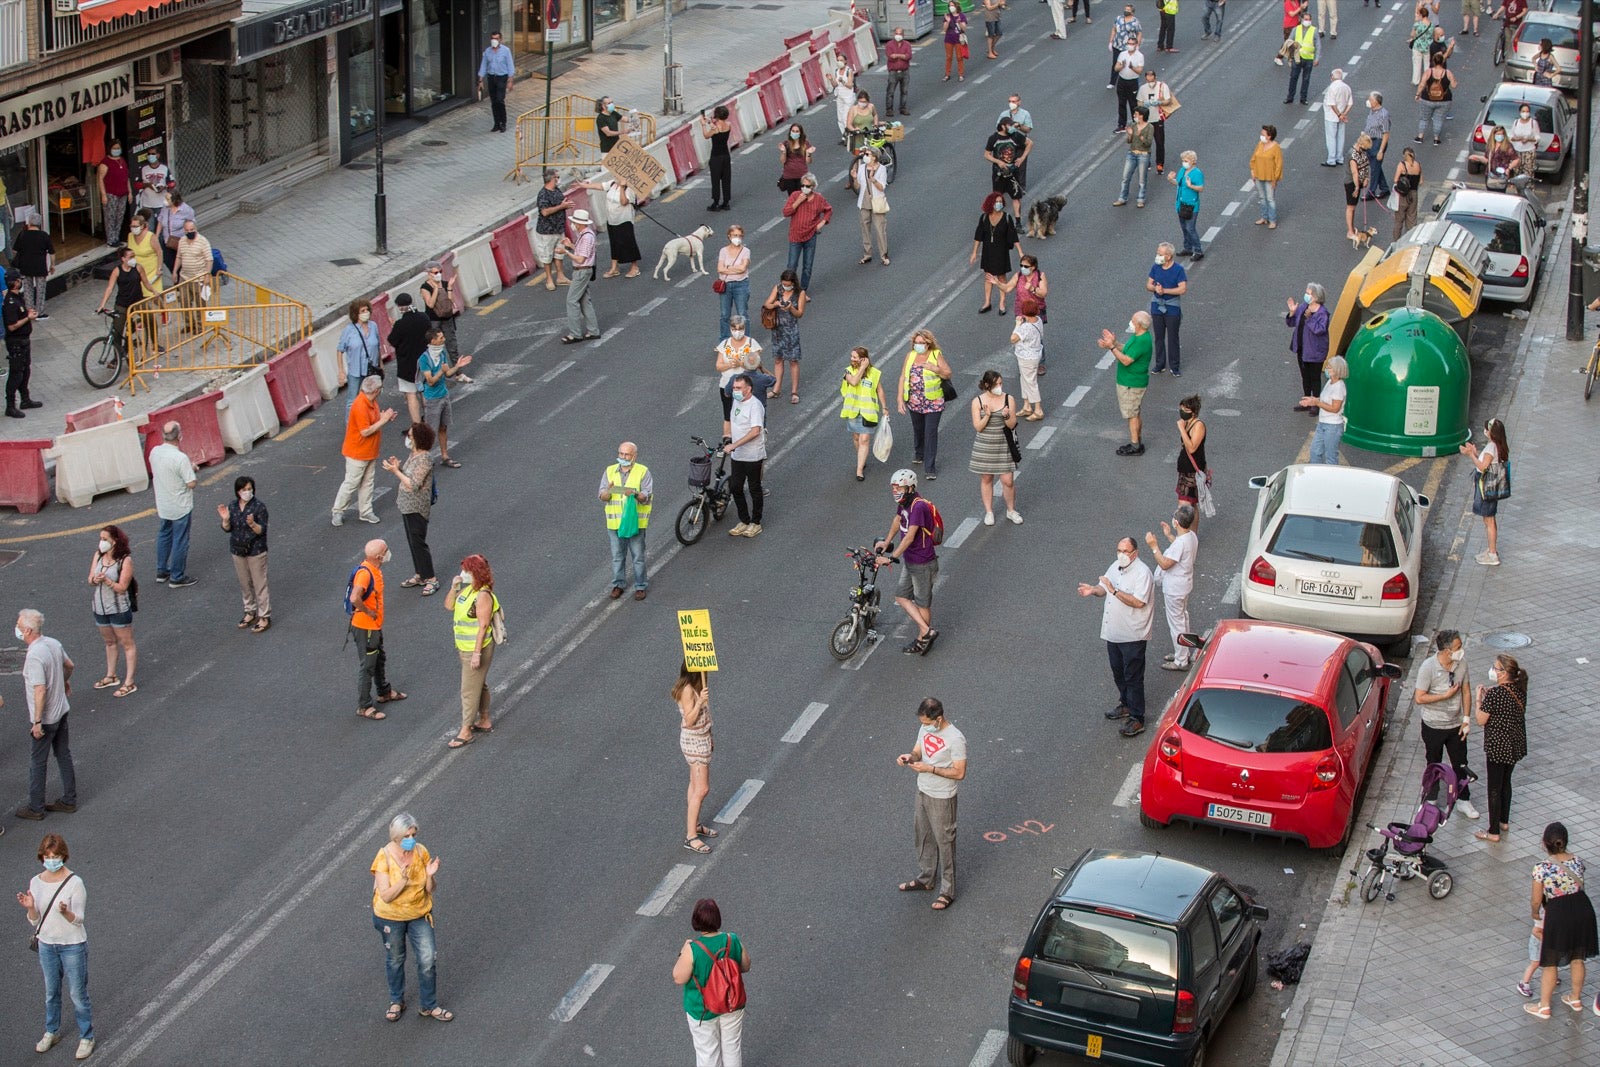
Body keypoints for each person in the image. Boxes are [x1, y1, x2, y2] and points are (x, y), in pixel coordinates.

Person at [18, 833, 93, 1060]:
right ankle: (52, 1031)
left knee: (77, 993)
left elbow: (79, 919)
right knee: (51, 992)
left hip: (72, 946)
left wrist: (66, 911)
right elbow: (35, 920)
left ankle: (87, 1036)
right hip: (47, 945)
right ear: (42, 856)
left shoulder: (75, 883)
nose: (52, 860)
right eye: (48, 856)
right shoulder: (36, 882)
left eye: (56, 856)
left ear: (64, 856)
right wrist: (30, 907)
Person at [370, 813, 451, 1022]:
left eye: (414, 834)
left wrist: (430, 876)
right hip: (391, 917)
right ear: (396, 836)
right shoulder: (384, 857)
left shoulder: (421, 851)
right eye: (407, 834)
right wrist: (403, 881)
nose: (411, 838)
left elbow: (430, 890)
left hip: (418, 913)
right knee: (396, 959)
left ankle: (429, 1005)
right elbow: (386, 896)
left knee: (428, 959)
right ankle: (396, 1001)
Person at [1077, 538, 1155, 737]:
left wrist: (1114, 590)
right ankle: (1126, 704)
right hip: (1114, 633)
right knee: (1118, 672)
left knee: (1133, 676)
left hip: (1133, 635)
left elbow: (1138, 602)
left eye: (1125, 551)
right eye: (1119, 550)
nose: (1121, 554)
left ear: (1135, 553)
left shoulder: (1142, 573)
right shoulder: (1115, 565)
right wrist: (1094, 590)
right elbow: (1104, 587)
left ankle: (1138, 717)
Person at [895, 698, 967, 911]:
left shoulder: (955, 739)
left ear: (939, 718)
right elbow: (917, 751)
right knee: (923, 836)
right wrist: (910, 757)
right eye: (922, 722)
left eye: (927, 722)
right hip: (923, 790)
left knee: (945, 842)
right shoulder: (925, 729)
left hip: (943, 796)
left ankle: (948, 891)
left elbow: (960, 772)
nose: (924, 725)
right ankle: (926, 878)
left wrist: (931, 769)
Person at [1524, 822, 1598, 1018]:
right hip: (1582, 909)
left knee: (1550, 961)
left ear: (1544, 844)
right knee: (1578, 957)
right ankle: (1575, 998)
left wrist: (1534, 913)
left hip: (1558, 913)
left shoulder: (1541, 868)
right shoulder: (1578, 861)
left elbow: (1536, 900)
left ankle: (1544, 1006)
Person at [672, 899, 750, 1065]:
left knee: (708, 1053)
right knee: (732, 1048)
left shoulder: (692, 949)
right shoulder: (732, 940)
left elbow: (679, 977)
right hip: (732, 1003)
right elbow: (745, 965)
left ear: (696, 921)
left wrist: (682, 953)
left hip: (702, 1010)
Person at [15, 609, 76, 820]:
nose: (18, 630)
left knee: (37, 762)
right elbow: (69, 666)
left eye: (20, 627)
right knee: (63, 754)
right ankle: (69, 799)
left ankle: (36, 807)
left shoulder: (34, 656)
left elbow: (39, 690)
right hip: (62, 710)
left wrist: (37, 722)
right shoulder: (53, 643)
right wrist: (63, 681)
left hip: (47, 717)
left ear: (28, 630)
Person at [1414, 629, 1480, 819]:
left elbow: (1466, 691)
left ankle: (1463, 800)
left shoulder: (1461, 664)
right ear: (1446, 651)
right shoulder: (1428, 668)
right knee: (1433, 763)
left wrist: (1466, 720)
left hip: (1455, 725)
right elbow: (1419, 697)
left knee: (1460, 763)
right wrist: (1445, 696)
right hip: (1433, 725)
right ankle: (1431, 798)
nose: (1461, 651)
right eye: (1457, 648)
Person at [874, 469, 940, 653]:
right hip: (911, 561)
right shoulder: (905, 503)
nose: (896, 490)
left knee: (922, 603)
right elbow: (898, 520)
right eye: (894, 487)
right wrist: (886, 542)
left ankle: (923, 639)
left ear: (911, 487)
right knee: (901, 596)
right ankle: (926, 631)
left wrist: (891, 557)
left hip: (923, 563)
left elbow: (910, 536)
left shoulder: (917, 507)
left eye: (899, 487)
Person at [1473, 653, 1528, 843]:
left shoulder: (1496, 694)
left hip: (1498, 747)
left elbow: (1480, 720)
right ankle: (1504, 820)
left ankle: (1493, 830)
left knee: (1494, 788)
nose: (1493, 671)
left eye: (1496, 668)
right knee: (1506, 782)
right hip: (1514, 745)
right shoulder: (1520, 689)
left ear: (1504, 673)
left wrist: (1478, 699)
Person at [349, 540, 405, 720]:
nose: (388, 553)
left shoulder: (373, 569)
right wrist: (367, 611)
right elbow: (354, 597)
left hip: (373, 627)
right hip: (366, 628)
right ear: (379, 557)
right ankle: (364, 706)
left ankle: (383, 691)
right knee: (368, 665)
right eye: (386, 551)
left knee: (379, 658)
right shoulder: (365, 574)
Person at [447, 554, 498, 748]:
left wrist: (476, 654)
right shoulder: (468, 591)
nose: (463, 573)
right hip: (465, 647)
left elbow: (483, 626)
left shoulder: (483, 596)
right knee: (479, 683)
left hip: (476, 649)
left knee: (468, 690)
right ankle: (484, 719)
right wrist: (454, 587)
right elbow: (449, 605)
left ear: (474, 572)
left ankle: (465, 730)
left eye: (466, 570)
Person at [332, 376, 397, 526]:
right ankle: (338, 510)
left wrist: (384, 416)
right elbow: (365, 431)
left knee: (367, 483)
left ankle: (366, 511)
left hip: (369, 451)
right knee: (352, 483)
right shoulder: (360, 405)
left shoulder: (371, 402)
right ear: (376, 390)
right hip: (358, 452)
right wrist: (384, 419)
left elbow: (372, 421)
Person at [384, 422, 438, 597]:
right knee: (412, 541)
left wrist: (395, 472)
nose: (408, 439)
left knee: (418, 542)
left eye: (410, 436)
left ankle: (430, 578)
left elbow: (414, 484)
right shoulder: (414, 455)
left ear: (418, 439)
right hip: (406, 505)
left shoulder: (425, 459)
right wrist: (398, 467)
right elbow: (408, 474)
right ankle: (420, 574)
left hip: (416, 506)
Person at [87, 525, 137, 701]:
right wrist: (95, 579)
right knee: (109, 642)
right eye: (101, 539)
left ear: (114, 541)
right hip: (100, 607)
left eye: (105, 539)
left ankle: (129, 681)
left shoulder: (125, 560)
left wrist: (106, 580)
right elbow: (90, 580)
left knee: (127, 643)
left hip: (118, 609)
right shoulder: (98, 555)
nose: (101, 542)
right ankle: (111, 675)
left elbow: (122, 588)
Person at [1145, 504, 1198, 671]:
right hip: (1185, 585)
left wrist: (1154, 546)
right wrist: (1168, 535)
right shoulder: (1191, 537)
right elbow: (1180, 547)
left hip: (1175, 588)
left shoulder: (1180, 543)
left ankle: (1181, 660)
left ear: (1176, 522)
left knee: (1177, 624)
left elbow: (1165, 564)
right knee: (1183, 618)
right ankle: (1184, 652)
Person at [673, 665, 718, 853]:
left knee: (694, 784)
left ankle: (696, 824)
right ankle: (691, 836)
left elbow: (704, 717)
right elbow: (689, 720)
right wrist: (700, 702)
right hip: (695, 742)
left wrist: (711, 736)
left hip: (702, 739)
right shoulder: (688, 690)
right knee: (702, 788)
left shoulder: (697, 687)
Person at [148, 422, 198, 588]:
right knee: (180, 540)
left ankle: (162, 570)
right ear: (179, 436)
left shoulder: (154, 452)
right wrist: (192, 469)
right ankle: (177, 576)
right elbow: (191, 483)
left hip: (164, 504)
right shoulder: (180, 458)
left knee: (164, 534)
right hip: (180, 505)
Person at [600, 441, 652, 600]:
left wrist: (635, 494)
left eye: (627, 454)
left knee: (638, 556)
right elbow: (602, 496)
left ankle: (640, 586)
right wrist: (608, 491)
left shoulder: (643, 472)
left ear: (634, 456)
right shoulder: (609, 471)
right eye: (621, 454)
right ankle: (618, 585)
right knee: (617, 556)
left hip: (635, 523)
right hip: (615, 523)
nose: (623, 457)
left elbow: (646, 496)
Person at [969, 369, 1022, 526]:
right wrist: (987, 416)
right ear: (987, 385)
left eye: (1001, 383)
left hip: (1003, 443)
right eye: (996, 384)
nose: (1000, 387)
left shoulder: (1008, 399)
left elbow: (1012, 424)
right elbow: (978, 427)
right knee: (986, 478)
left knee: (1008, 480)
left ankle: (1011, 510)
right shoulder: (977, 402)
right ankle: (989, 512)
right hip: (985, 444)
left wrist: (1006, 416)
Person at [218, 476, 270, 633]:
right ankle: (250, 611)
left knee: (259, 583)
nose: (247, 492)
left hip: (255, 551)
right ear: (237, 491)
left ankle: (264, 616)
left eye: (249, 489)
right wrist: (226, 520)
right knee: (245, 583)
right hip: (238, 550)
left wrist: (253, 524)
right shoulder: (233, 506)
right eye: (244, 490)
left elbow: (262, 530)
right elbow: (227, 529)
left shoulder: (259, 507)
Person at [898, 329, 952, 480]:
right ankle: (919, 453)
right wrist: (899, 399)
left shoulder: (936, 355)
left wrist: (935, 369)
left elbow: (948, 373)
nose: (919, 345)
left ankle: (930, 468)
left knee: (930, 433)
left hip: (933, 402)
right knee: (918, 429)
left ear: (928, 344)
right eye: (916, 343)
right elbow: (903, 377)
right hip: (914, 401)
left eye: (922, 343)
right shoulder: (910, 356)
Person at [1097, 311, 1152, 455]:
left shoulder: (1141, 341)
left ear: (1139, 325)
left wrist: (1112, 347)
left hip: (1131, 383)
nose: (1131, 323)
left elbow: (1126, 360)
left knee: (1132, 414)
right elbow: (1127, 350)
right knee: (1135, 412)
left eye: (1133, 321)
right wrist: (1114, 343)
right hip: (1132, 381)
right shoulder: (1139, 337)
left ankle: (1135, 446)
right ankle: (1137, 441)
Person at [418, 328, 470, 468]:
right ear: (432, 341)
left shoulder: (441, 354)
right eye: (440, 338)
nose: (443, 339)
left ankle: (444, 456)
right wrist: (441, 370)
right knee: (430, 432)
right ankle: (422, 459)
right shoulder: (424, 359)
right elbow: (430, 381)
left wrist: (457, 366)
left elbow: (448, 374)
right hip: (432, 399)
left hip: (444, 395)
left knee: (443, 427)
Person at [93, 245, 154, 364]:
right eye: (130, 257)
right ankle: (117, 357)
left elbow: (146, 282)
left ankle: (155, 344)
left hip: (137, 301)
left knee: (150, 318)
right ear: (123, 259)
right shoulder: (117, 271)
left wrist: (154, 291)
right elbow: (109, 288)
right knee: (117, 330)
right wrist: (102, 305)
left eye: (134, 256)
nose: (133, 259)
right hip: (122, 304)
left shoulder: (138, 268)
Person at [1460, 416, 1509, 565]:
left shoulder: (1491, 448)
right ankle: (1490, 550)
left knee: (1489, 520)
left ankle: (1492, 554)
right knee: (1489, 519)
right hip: (1491, 486)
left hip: (1486, 487)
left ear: (1491, 433)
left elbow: (1483, 467)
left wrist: (1470, 455)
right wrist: (1475, 453)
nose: (1485, 431)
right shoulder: (1497, 445)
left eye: (1487, 429)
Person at [573, 177, 642, 279]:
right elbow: (600, 186)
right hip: (611, 220)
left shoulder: (629, 189)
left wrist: (622, 187)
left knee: (628, 243)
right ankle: (614, 268)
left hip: (624, 220)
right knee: (614, 243)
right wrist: (584, 185)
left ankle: (634, 267)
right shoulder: (612, 184)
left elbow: (623, 202)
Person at [726, 375, 768, 539]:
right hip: (738, 455)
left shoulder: (755, 406)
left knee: (754, 488)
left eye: (738, 388)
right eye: (734, 388)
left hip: (752, 455)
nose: (734, 391)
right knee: (735, 487)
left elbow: (755, 431)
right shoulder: (737, 402)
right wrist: (729, 437)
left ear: (748, 389)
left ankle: (755, 522)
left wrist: (734, 445)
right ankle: (744, 520)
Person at [841, 346, 887, 480]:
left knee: (864, 439)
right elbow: (854, 382)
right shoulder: (848, 371)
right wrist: (862, 368)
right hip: (853, 411)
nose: (852, 359)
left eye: (855, 357)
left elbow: (880, 390)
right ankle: (862, 458)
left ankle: (859, 470)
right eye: (851, 356)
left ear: (863, 359)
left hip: (868, 412)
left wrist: (884, 407)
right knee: (856, 438)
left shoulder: (874, 373)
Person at [972, 192, 1021, 314]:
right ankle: (987, 302)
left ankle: (1002, 303)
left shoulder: (1007, 218)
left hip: (1001, 252)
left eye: (1000, 202)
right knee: (988, 276)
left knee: (1001, 277)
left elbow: (1013, 236)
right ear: (990, 203)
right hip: (988, 252)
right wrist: (974, 253)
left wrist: (1020, 252)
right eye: (996, 202)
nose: (999, 204)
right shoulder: (984, 218)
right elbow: (978, 236)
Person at [781, 174, 831, 294]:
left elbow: (828, 210)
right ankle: (789, 289)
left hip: (810, 236)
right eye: (802, 185)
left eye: (807, 186)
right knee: (792, 266)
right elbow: (786, 212)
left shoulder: (818, 199)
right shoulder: (795, 196)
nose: (804, 188)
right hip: (795, 236)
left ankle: (802, 290)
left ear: (813, 187)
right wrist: (798, 201)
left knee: (807, 266)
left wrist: (822, 222)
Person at [715, 316, 763, 435]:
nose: (737, 332)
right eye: (734, 329)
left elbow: (756, 364)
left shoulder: (751, 343)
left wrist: (740, 363)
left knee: (747, 414)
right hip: (727, 384)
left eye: (740, 329)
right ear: (730, 329)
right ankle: (727, 439)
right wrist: (730, 364)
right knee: (728, 414)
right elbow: (718, 366)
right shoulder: (724, 344)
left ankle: (745, 438)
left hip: (746, 386)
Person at [387, 292, 430, 425]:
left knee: (411, 395)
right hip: (425, 361)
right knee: (424, 392)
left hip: (407, 365)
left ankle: (417, 426)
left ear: (399, 307)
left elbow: (392, 341)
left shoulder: (400, 324)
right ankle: (430, 419)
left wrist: (394, 327)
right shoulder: (423, 317)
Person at [763, 271, 806, 402]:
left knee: (793, 361)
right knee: (778, 359)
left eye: (788, 284)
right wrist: (776, 304)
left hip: (791, 331)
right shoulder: (777, 288)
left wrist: (791, 308)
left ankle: (794, 392)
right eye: (784, 284)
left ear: (793, 283)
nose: (785, 286)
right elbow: (767, 304)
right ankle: (776, 389)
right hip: (777, 330)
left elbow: (800, 313)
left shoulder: (800, 293)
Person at [558, 209, 600, 343]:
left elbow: (581, 259)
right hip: (583, 271)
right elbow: (580, 251)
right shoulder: (585, 234)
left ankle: (575, 333)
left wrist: (565, 252)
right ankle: (593, 330)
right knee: (584, 301)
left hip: (582, 271)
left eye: (574, 222)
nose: (573, 225)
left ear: (579, 224)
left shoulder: (587, 237)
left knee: (571, 301)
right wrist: (570, 245)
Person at [1285, 284, 1331, 405]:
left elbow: (1319, 330)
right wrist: (1292, 312)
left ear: (1316, 296)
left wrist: (1310, 318)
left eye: (1309, 293)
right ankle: (1306, 401)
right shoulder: (1303, 307)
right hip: (1302, 348)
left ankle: (1315, 403)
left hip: (1315, 351)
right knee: (1305, 376)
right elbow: (1292, 322)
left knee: (1315, 377)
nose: (1306, 295)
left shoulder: (1322, 313)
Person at [1147, 241, 1187, 376]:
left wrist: (1164, 291)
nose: (1157, 256)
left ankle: (1175, 366)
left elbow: (1182, 289)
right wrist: (1155, 288)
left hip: (1172, 308)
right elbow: (1148, 285)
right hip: (1157, 307)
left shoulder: (1178, 270)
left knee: (1172, 337)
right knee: (1158, 337)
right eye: (1157, 253)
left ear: (1169, 256)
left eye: (1160, 254)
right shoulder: (1155, 267)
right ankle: (1160, 364)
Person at [3, 268, 39, 417]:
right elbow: (12, 326)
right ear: (15, 282)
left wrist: (28, 314)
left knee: (25, 370)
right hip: (16, 342)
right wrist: (27, 318)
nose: (21, 282)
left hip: (24, 340)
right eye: (19, 280)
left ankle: (25, 399)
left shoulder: (18, 298)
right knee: (16, 373)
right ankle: (10, 406)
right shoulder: (10, 302)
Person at [1300, 354, 1348, 463]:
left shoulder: (1339, 387)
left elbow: (1335, 408)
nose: (1327, 369)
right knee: (1315, 452)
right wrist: (1313, 400)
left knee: (1331, 456)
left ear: (1337, 370)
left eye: (1329, 367)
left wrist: (1316, 402)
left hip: (1333, 427)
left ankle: (1331, 478)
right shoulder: (1330, 382)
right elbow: (1324, 400)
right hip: (1323, 423)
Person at [984, 118, 1032, 225]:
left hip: (1013, 173)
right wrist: (998, 162)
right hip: (999, 174)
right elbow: (986, 154)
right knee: (997, 198)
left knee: (1016, 198)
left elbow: (1029, 143)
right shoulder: (993, 138)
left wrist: (1022, 158)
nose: (1011, 127)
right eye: (1009, 125)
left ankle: (1018, 223)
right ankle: (997, 222)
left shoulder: (1015, 136)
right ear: (1002, 126)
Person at [337, 299, 382, 412]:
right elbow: (340, 350)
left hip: (371, 370)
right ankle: (350, 427)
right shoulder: (349, 330)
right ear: (356, 314)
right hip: (355, 371)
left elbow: (377, 347)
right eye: (363, 310)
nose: (366, 312)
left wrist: (380, 365)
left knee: (370, 398)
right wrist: (341, 371)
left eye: (367, 310)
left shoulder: (373, 326)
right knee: (352, 401)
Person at [418, 262, 463, 369]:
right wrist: (435, 290)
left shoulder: (445, 283)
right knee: (436, 347)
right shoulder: (425, 287)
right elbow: (430, 304)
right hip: (434, 320)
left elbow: (450, 301)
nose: (438, 274)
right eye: (435, 272)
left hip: (447, 319)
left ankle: (458, 372)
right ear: (429, 274)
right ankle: (438, 371)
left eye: (440, 271)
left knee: (452, 345)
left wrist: (450, 288)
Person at [531, 172, 572, 289]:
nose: (559, 179)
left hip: (559, 229)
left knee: (559, 253)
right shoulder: (543, 194)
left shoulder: (557, 190)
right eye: (557, 177)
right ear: (552, 179)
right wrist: (562, 207)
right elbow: (545, 212)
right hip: (547, 231)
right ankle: (549, 279)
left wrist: (565, 205)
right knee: (547, 256)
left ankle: (560, 276)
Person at [171, 220, 214, 333]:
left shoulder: (203, 241)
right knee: (184, 303)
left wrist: (207, 275)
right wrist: (175, 271)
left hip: (199, 278)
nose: (190, 232)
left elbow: (209, 259)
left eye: (192, 230)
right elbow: (179, 257)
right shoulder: (182, 241)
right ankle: (189, 324)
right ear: (184, 231)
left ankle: (201, 326)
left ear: (195, 229)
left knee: (200, 304)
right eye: (187, 230)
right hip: (184, 278)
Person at [11, 211, 54, 318]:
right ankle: (39, 312)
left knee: (28, 289)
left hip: (25, 266)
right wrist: (52, 265)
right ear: (39, 224)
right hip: (40, 267)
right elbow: (52, 252)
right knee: (41, 290)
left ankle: (29, 311)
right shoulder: (44, 235)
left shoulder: (22, 234)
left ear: (29, 222)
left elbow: (15, 251)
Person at [852, 148, 890, 267]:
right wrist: (854, 178)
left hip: (877, 202)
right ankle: (867, 254)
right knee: (865, 229)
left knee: (880, 229)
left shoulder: (882, 169)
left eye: (867, 154)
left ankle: (884, 255)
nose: (865, 156)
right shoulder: (862, 168)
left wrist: (873, 179)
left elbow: (882, 187)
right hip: (864, 202)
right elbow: (857, 186)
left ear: (874, 157)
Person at [1113, 107, 1155, 208]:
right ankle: (1122, 198)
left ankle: (1140, 199)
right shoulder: (1133, 125)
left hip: (1144, 155)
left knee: (1142, 179)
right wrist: (1130, 135)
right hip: (1132, 153)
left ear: (1142, 115)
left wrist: (1140, 136)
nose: (1134, 116)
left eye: (1136, 114)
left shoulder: (1150, 127)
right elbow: (1129, 141)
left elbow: (1148, 143)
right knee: (1125, 177)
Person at [716, 225, 751, 343]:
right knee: (725, 315)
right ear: (729, 236)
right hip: (726, 285)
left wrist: (728, 267)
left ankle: (746, 341)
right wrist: (735, 268)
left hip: (741, 285)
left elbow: (742, 269)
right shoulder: (723, 251)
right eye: (735, 235)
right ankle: (724, 341)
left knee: (742, 314)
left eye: (740, 236)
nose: (738, 238)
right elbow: (720, 269)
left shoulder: (746, 251)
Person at [1168, 149, 1206, 259]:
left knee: (1190, 228)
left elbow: (1201, 188)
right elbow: (1179, 184)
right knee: (1184, 227)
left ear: (1193, 161)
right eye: (1183, 160)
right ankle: (1188, 247)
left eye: (1186, 160)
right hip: (1180, 203)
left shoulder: (1197, 173)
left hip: (1191, 205)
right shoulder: (1182, 171)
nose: (1184, 162)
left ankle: (1198, 250)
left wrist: (1191, 186)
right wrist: (1171, 179)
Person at [1011, 301, 1045, 421]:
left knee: (1030, 382)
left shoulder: (1025, 327)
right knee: (1024, 379)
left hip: (1027, 357)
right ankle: (1027, 406)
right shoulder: (1038, 320)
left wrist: (1017, 324)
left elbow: (1013, 338)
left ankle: (1038, 410)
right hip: (1034, 354)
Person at [1174, 394, 1207, 513]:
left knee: (1185, 506)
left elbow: (1192, 448)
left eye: (1186, 410)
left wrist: (1182, 429)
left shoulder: (1198, 426)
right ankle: (1193, 532)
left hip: (1191, 473)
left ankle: (1187, 530)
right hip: (1185, 470)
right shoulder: (1187, 422)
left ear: (1194, 412)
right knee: (1192, 504)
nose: (1182, 413)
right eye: (1181, 409)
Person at [1137, 70, 1175, 172]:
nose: (1149, 78)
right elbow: (1139, 102)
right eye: (1148, 76)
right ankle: (1146, 162)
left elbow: (1168, 100)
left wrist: (1159, 102)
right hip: (1147, 120)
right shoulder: (1143, 89)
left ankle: (1160, 164)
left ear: (1155, 76)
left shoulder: (1162, 86)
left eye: (1151, 75)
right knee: (1145, 143)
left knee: (1160, 142)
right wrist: (1145, 104)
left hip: (1158, 118)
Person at [1414, 55, 1456, 146]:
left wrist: (1417, 94)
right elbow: (1454, 85)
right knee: (1438, 119)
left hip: (1427, 99)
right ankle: (1436, 139)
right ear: (1442, 62)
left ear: (1433, 61)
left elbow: (1422, 84)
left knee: (1424, 118)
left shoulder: (1428, 72)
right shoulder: (1447, 73)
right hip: (1444, 100)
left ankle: (1420, 136)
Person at [477, 30, 514, 133]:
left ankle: (503, 122)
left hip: (502, 77)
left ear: (500, 40)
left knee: (499, 100)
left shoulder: (506, 51)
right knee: (493, 102)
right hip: (491, 77)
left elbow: (510, 65)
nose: (494, 41)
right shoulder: (487, 51)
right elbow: (483, 65)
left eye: (496, 39)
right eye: (492, 39)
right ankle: (496, 123)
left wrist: (510, 80)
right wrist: (480, 80)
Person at [96, 139, 130, 247]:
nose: (116, 150)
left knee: (119, 216)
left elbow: (126, 177)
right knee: (110, 216)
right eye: (114, 148)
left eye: (118, 148)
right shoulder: (105, 163)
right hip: (111, 193)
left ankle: (116, 237)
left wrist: (130, 192)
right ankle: (110, 239)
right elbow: (100, 179)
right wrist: (103, 194)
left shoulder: (122, 160)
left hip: (123, 193)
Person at [1251, 125, 1284, 230]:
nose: (1261, 136)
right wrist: (1253, 170)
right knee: (1262, 198)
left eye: (1263, 134)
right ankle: (1264, 217)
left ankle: (1272, 220)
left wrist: (1275, 179)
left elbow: (1279, 164)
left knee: (1270, 199)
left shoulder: (1276, 147)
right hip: (1258, 175)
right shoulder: (1260, 144)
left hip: (1270, 178)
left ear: (1269, 136)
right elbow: (1253, 158)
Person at [701, 106, 733, 211]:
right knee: (726, 179)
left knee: (715, 181)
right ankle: (726, 202)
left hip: (716, 157)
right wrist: (710, 122)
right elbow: (717, 127)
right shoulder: (729, 125)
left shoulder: (715, 128)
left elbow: (706, 135)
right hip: (726, 155)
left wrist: (703, 125)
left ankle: (715, 202)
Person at [1344, 132, 1374, 241]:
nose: (1366, 150)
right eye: (1366, 148)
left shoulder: (1362, 152)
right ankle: (1350, 232)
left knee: (1354, 206)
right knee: (1350, 207)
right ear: (1361, 145)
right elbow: (1354, 173)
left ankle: (1351, 228)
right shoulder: (1352, 155)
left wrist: (1366, 178)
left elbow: (1365, 165)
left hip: (1360, 181)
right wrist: (1357, 187)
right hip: (1352, 183)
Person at [1284, 10, 1318, 106]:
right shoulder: (1296, 29)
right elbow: (1289, 41)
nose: (1308, 21)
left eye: (1309, 19)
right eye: (1306, 19)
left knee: (1306, 79)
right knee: (1293, 78)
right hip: (1297, 57)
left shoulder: (1314, 30)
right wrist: (1290, 56)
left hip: (1308, 58)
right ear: (1301, 20)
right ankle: (1290, 97)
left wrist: (1317, 58)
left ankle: (1303, 98)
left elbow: (1318, 45)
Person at [1113, 36, 1146, 132]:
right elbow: (1116, 68)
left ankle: (1136, 123)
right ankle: (1121, 124)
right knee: (1121, 103)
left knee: (1133, 104)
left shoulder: (1139, 56)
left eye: (1132, 44)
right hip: (1122, 80)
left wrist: (1132, 68)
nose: (1130, 46)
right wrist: (1122, 66)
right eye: (1128, 43)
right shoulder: (1123, 54)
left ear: (1136, 45)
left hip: (1132, 82)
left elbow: (1139, 71)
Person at [1363, 93, 1393, 199]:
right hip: (1369, 142)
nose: (1368, 101)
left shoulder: (1384, 115)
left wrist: (1381, 150)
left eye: (1370, 99)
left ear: (1376, 101)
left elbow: (1386, 133)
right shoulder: (1372, 111)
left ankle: (1371, 192)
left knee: (1375, 169)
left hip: (1378, 142)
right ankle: (1384, 188)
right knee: (1375, 166)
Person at [1322, 68, 1354, 166]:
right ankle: (1339, 157)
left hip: (1331, 116)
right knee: (1340, 137)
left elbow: (1332, 103)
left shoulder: (1332, 87)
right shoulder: (1347, 87)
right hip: (1342, 117)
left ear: (1332, 77)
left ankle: (1331, 159)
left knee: (1331, 138)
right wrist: (1344, 114)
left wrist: (1339, 114)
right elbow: (1350, 103)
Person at [1109, 4, 1144, 92]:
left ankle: (1129, 80)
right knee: (1116, 63)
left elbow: (1139, 33)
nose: (1126, 11)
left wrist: (1137, 44)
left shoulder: (1135, 22)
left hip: (1128, 46)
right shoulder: (1118, 19)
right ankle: (1112, 82)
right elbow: (1114, 29)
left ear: (1132, 12)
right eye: (1125, 9)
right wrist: (1111, 41)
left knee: (1129, 63)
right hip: (1117, 45)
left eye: (1128, 10)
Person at [1391, 146, 1423, 240]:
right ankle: (1410, 240)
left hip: (1403, 195)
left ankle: (1396, 241)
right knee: (1412, 219)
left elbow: (1395, 179)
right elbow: (1421, 181)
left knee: (1399, 220)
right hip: (1414, 194)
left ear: (1404, 155)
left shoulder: (1402, 165)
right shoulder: (1418, 165)